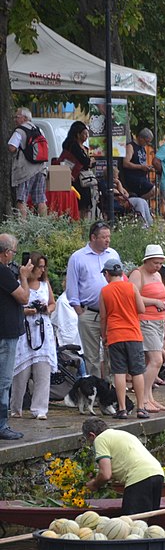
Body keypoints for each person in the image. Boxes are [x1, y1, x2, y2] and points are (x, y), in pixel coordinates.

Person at [66, 221, 120, 378]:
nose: (107, 240)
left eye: (109, 236)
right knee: (92, 357)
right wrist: (79, 311)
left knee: (113, 354)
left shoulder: (113, 254)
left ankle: (112, 393)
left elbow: (120, 280)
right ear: (93, 237)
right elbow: (72, 286)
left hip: (111, 313)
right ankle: (95, 394)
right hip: (88, 312)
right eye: (103, 237)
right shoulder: (78, 257)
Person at [98, 259, 148, 419]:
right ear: (121, 273)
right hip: (133, 334)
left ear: (107, 273)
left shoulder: (105, 291)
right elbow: (141, 308)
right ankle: (141, 408)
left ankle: (122, 409)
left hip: (115, 335)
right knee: (137, 371)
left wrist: (104, 335)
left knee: (119, 372)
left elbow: (103, 317)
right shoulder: (131, 287)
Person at [82, 418, 164, 515]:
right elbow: (123, 463)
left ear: (92, 435)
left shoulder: (100, 439)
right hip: (157, 474)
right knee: (148, 520)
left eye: (89, 440)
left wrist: (94, 484)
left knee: (131, 523)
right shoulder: (124, 434)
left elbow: (105, 475)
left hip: (138, 478)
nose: (90, 444)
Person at [11, 252, 57, 420]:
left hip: (42, 329)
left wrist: (46, 309)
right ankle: (16, 407)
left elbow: (53, 303)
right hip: (25, 330)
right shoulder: (18, 284)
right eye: (39, 267)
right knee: (21, 372)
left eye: (44, 267)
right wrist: (27, 311)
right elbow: (14, 308)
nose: (41, 270)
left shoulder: (45, 284)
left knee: (43, 371)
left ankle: (40, 409)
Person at [129, 245, 165, 414]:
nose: (158, 266)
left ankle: (149, 397)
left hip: (159, 320)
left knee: (151, 362)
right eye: (155, 263)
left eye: (160, 263)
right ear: (146, 261)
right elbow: (133, 296)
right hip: (145, 321)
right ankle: (143, 399)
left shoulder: (158, 276)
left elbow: (164, 298)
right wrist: (153, 302)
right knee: (156, 359)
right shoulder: (137, 274)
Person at [0, 235, 32, 439]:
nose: (13, 256)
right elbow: (24, 297)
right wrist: (24, 276)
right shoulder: (3, 272)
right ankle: (1, 425)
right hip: (5, 333)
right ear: (5, 252)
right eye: (12, 252)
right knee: (3, 381)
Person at [8, 108, 49, 219]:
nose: (15, 119)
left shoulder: (19, 131)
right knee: (41, 199)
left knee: (21, 199)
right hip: (40, 169)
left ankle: (23, 226)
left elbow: (12, 147)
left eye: (17, 117)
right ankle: (44, 224)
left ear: (24, 118)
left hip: (25, 171)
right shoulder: (39, 130)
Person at [58, 121, 96, 214]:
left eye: (87, 133)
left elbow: (92, 162)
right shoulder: (73, 146)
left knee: (86, 204)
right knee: (79, 203)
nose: (87, 136)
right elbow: (86, 161)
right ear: (78, 134)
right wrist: (89, 162)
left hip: (84, 178)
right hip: (76, 178)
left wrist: (90, 162)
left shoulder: (85, 148)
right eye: (84, 133)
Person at [121, 128, 157, 200]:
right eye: (146, 142)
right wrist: (140, 167)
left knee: (155, 191)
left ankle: (138, 201)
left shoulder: (142, 148)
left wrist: (148, 168)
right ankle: (136, 201)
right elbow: (125, 163)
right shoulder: (131, 146)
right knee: (154, 190)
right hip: (134, 178)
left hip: (142, 177)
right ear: (141, 138)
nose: (146, 144)